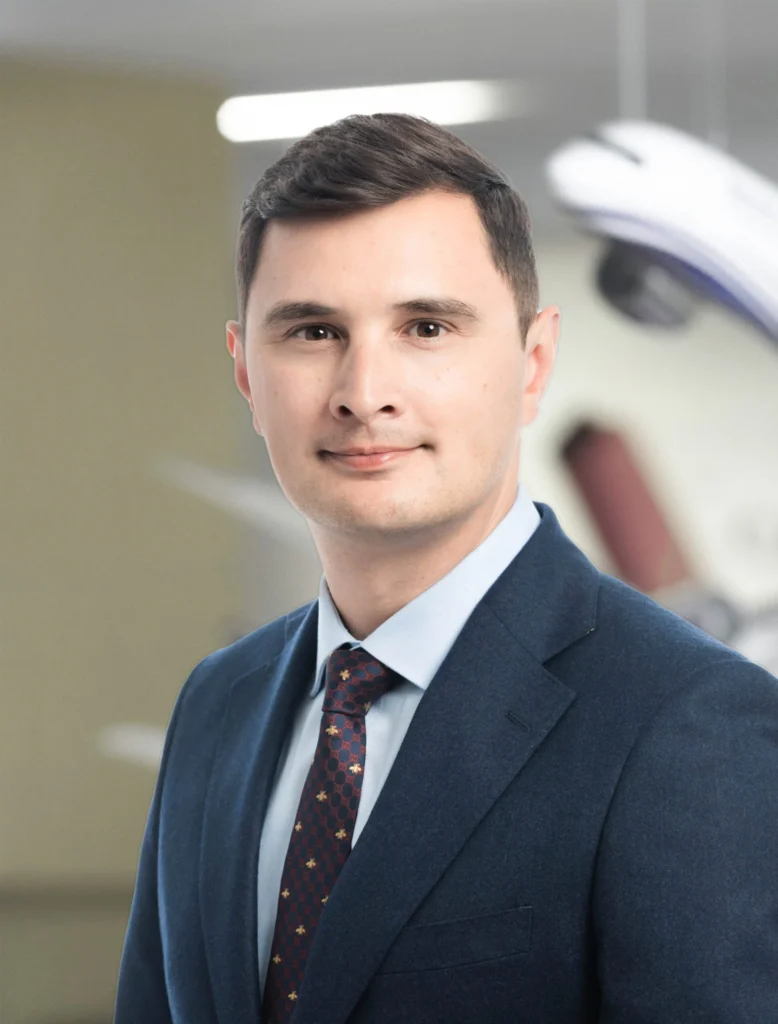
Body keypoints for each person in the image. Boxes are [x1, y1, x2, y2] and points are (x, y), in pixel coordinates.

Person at [114, 113, 778, 1024]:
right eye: (312, 331)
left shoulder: (685, 723)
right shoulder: (216, 706)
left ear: (533, 362)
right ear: (244, 371)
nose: (363, 391)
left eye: (425, 326)